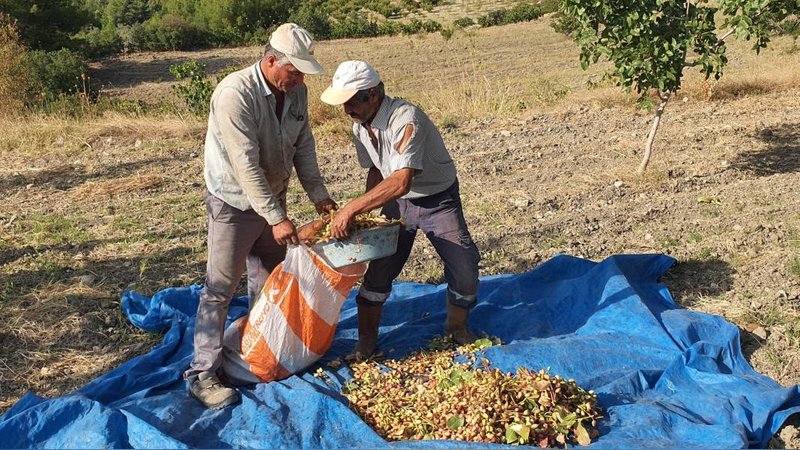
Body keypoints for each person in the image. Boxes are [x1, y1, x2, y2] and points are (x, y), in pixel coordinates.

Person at [185, 23, 337, 410]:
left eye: (303, 71)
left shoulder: (296, 91)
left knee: (270, 276)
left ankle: (260, 350)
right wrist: (275, 217)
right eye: (295, 70)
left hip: (273, 197)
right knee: (220, 287)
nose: (301, 78)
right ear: (271, 61)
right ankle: (202, 373)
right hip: (234, 204)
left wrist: (319, 196)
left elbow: (304, 146)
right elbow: (245, 165)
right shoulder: (235, 94)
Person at [320, 60, 481, 360]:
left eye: (351, 102)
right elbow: (376, 171)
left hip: (437, 199)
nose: (346, 111)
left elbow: (401, 180)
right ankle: (366, 342)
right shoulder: (359, 126)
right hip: (395, 202)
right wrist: (368, 215)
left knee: (464, 266)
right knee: (379, 269)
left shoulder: (407, 118)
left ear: (372, 94)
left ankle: (456, 328)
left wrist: (352, 209)